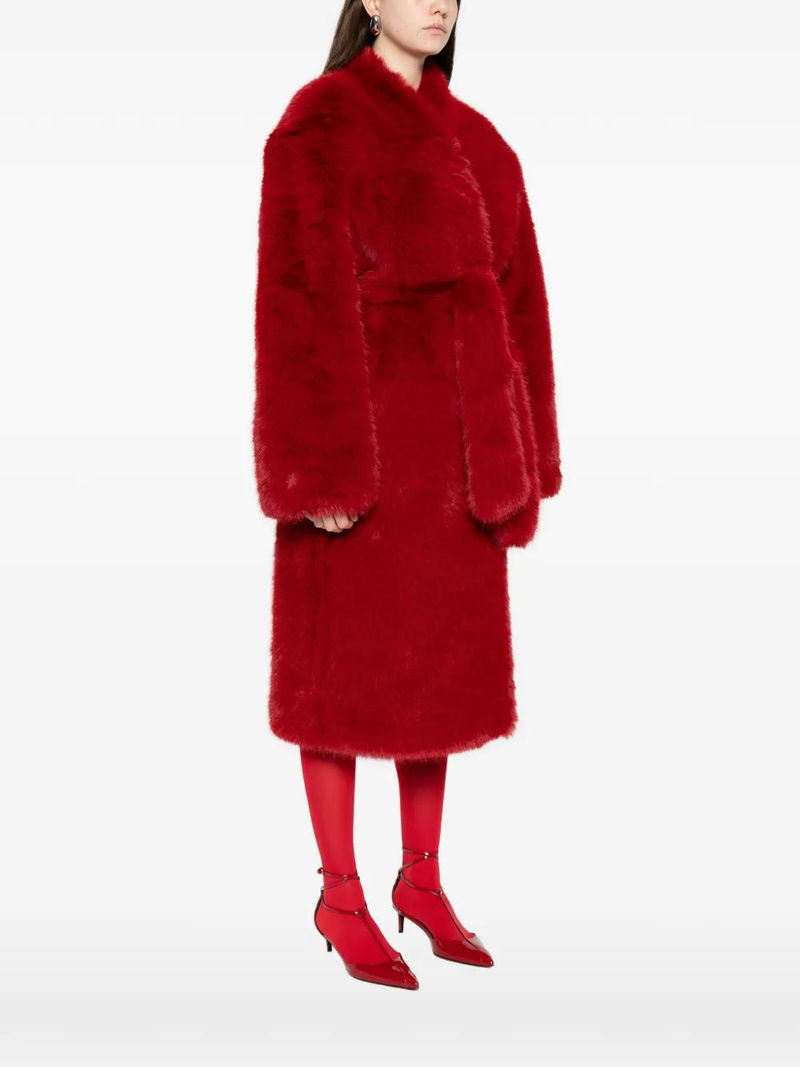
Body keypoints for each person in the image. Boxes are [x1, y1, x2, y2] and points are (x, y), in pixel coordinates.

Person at [252, 0, 563, 990]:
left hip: (460, 464)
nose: (439, 2)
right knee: (340, 686)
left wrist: (527, 457)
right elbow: (295, 296)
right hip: (365, 451)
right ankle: (340, 895)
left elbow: (523, 306)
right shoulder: (320, 121)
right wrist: (318, 468)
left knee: (435, 684)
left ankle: (420, 881)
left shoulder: (482, 142)